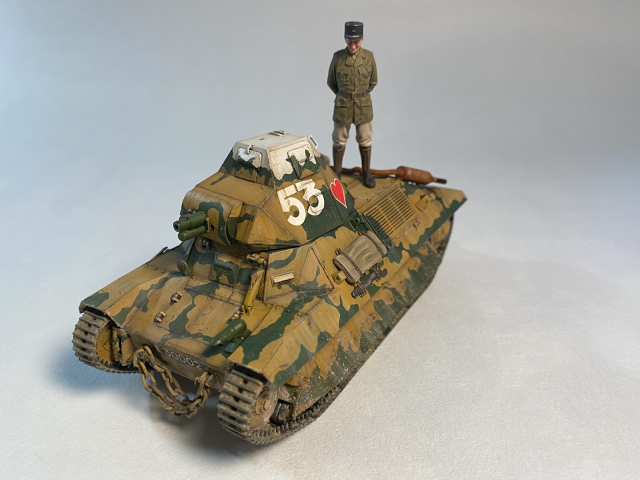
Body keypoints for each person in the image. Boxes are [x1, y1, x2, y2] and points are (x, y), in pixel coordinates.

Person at [327, 21, 378, 188]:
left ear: (362, 39)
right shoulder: (337, 58)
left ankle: (366, 172)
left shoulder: (369, 57)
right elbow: (331, 82)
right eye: (349, 41)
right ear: (345, 39)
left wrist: (360, 95)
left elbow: (373, 81)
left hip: (363, 106)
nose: (353, 45)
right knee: (339, 140)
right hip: (343, 105)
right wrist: (344, 96)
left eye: (356, 41)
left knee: (365, 139)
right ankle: (337, 172)